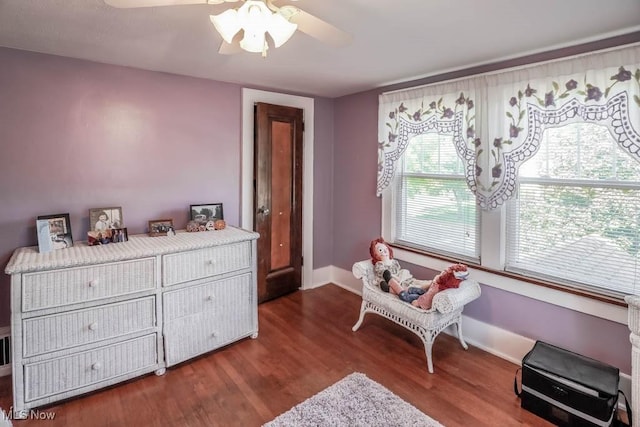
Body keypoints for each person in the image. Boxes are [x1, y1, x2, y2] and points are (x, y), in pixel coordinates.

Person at [369, 237, 431, 304]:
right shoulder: (379, 264)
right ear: (376, 255)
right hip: (390, 281)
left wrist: (400, 277)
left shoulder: (394, 262)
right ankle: (407, 293)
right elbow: (382, 273)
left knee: (410, 278)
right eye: (380, 250)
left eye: (385, 249)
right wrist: (394, 277)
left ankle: (426, 287)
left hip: (400, 279)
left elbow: (399, 271)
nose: (385, 251)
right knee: (385, 280)